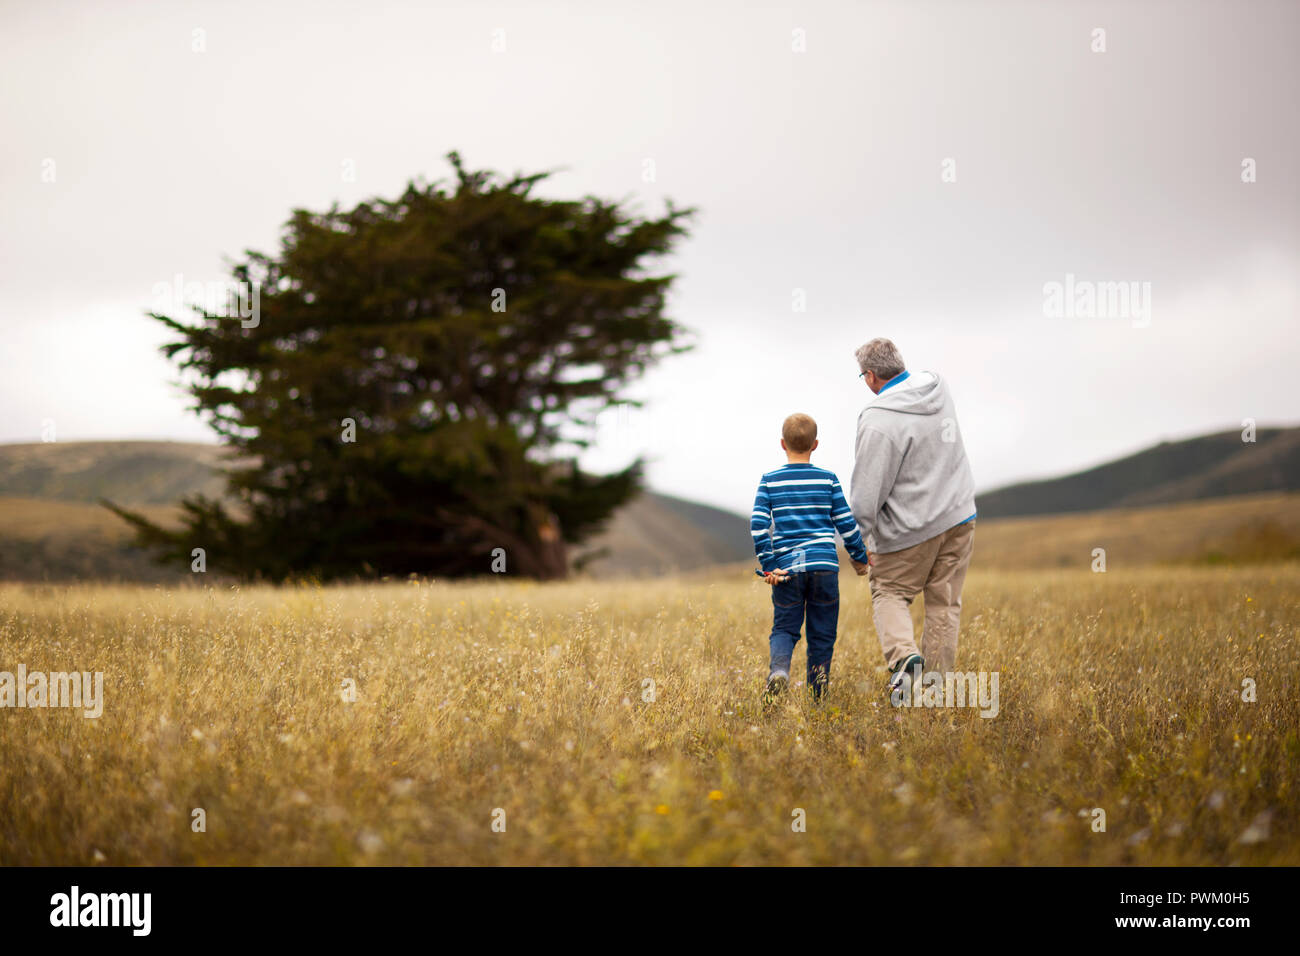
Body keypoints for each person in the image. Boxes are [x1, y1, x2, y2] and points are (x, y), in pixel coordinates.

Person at [848, 338, 977, 704]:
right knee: (943, 605)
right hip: (959, 515)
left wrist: (858, 544)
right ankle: (933, 694)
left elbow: (866, 493)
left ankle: (906, 662)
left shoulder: (877, 420)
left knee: (890, 592)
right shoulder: (937, 385)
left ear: (870, 376)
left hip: (908, 530)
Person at [751, 412, 869, 702]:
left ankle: (779, 671)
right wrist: (860, 556)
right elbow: (846, 522)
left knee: (784, 628)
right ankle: (818, 698)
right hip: (824, 568)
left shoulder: (770, 480)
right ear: (815, 444)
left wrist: (770, 566)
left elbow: (757, 524)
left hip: (787, 570)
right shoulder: (828, 479)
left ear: (782, 443)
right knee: (822, 633)